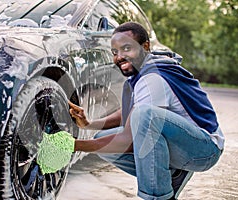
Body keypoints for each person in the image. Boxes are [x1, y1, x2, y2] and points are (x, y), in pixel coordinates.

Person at [68, 22, 224, 200]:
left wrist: (73, 145)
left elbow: (128, 139)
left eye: (127, 48)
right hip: (184, 141)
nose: (119, 57)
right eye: (115, 52)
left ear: (146, 46)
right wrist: (90, 124)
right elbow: (128, 114)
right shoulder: (142, 72)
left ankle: (157, 197)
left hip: (204, 149)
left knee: (144, 117)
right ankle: (172, 175)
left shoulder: (152, 78)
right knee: (101, 139)